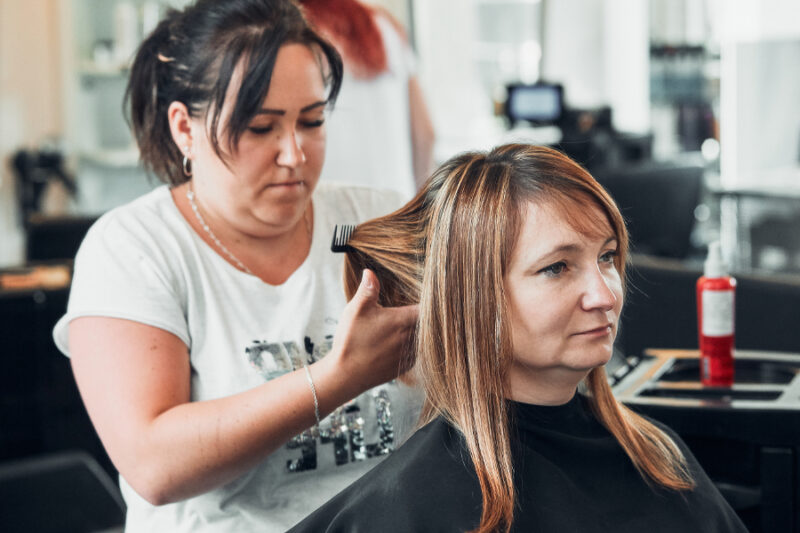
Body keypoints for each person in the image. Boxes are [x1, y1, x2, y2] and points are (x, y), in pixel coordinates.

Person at [51, 1, 421, 531]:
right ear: (185, 128)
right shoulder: (135, 248)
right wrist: (341, 376)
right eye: (259, 127)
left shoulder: (374, 218)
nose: (294, 154)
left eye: (311, 121)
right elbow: (153, 463)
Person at [289, 144, 748, 533]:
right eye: (556, 267)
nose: (604, 294)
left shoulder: (657, 457)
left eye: (607, 257)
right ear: (471, 295)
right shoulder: (413, 504)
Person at [297, 0, 435, 198]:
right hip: (397, 209)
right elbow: (425, 134)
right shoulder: (387, 27)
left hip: (333, 211)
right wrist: (419, 207)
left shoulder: (293, 35)